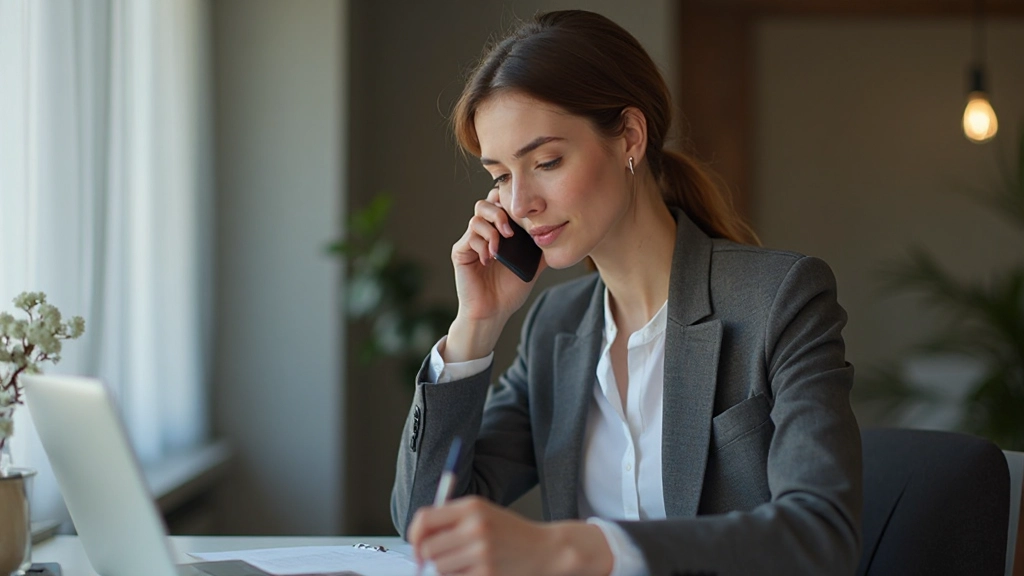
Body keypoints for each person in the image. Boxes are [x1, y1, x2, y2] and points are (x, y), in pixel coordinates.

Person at [391, 9, 861, 576]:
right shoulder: (555, 328)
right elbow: (425, 517)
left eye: (546, 162)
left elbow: (821, 534)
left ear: (629, 138)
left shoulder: (779, 300)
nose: (519, 204)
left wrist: (584, 549)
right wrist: (475, 327)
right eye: (499, 176)